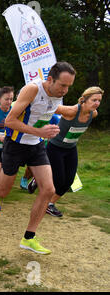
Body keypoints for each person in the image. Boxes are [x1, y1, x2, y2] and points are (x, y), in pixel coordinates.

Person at [0, 61, 76, 255]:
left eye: (69, 86)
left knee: (48, 189)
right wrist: (39, 131)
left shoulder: (57, 96)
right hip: (15, 145)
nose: (65, 90)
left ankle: (29, 237)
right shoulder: (32, 90)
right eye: (62, 85)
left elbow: (60, 111)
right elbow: (9, 121)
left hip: (36, 146)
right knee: (3, 190)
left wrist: (81, 110)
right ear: (50, 79)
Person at [44, 86, 103, 217]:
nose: (97, 103)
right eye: (94, 100)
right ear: (84, 100)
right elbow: (51, 108)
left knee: (69, 181)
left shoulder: (93, 114)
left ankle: (50, 204)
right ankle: (40, 179)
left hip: (71, 149)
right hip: (55, 148)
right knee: (59, 181)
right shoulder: (71, 111)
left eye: (99, 100)